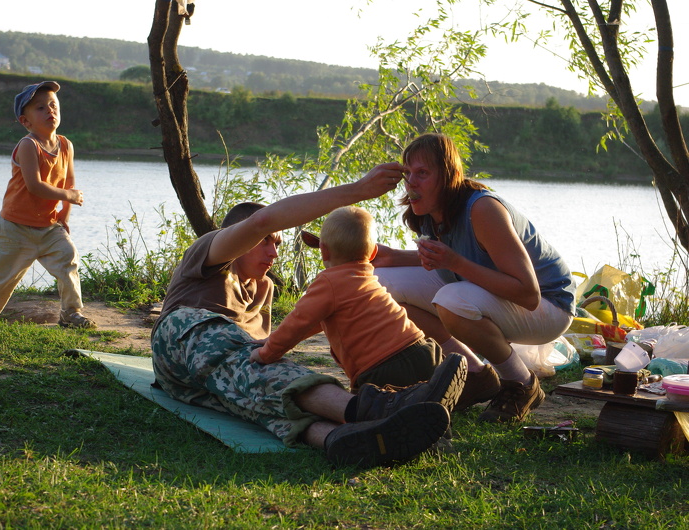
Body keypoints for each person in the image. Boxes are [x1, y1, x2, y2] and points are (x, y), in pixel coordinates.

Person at [150, 169, 467, 468]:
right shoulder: (209, 255)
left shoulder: (264, 288)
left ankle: (345, 437)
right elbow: (262, 220)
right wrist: (358, 191)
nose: (274, 253)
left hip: (197, 386)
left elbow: (261, 368)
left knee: (262, 400)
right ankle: (376, 407)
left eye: (278, 244)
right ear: (238, 238)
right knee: (255, 366)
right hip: (179, 340)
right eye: (266, 242)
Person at [371, 133, 575, 422]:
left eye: (423, 173)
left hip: (549, 307)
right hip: (497, 295)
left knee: (452, 299)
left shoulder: (482, 209)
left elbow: (529, 294)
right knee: (381, 284)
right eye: (408, 174)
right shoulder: (433, 211)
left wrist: (455, 262)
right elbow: (459, 257)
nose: (411, 183)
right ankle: (476, 374)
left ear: (449, 176)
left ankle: (520, 383)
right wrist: (389, 256)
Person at [250, 205, 456, 393]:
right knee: (417, 404)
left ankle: (401, 406)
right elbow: (314, 322)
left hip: (382, 368)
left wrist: (267, 353)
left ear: (323, 250)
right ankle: (434, 401)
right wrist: (272, 341)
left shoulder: (329, 282)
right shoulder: (369, 278)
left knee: (368, 409)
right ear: (373, 252)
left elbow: (298, 322)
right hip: (422, 352)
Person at [0, 81, 95, 329]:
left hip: (49, 226)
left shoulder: (66, 145)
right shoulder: (29, 145)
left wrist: (65, 216)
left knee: (68, 260)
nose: (50, 110)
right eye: (40, 108)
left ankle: (71, 313)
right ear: (25, 121)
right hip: (15, 228)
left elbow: (69, 182)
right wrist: (68, 196)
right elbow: (35, 186)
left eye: (53, 105)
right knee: (3, 279)